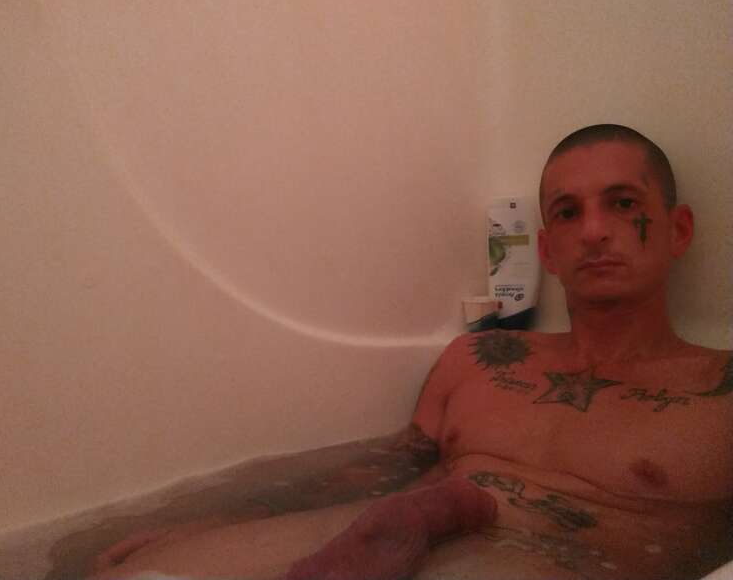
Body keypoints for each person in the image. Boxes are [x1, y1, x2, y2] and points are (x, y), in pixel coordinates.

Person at [91, 124, 732, 580]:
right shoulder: (479, 360)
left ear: (677, 230)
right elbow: (380, 470)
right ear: (546, 250)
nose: (592, 230)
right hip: (391, 526)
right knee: (136, 571)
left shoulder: (721, 391)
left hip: (552, 559)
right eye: (567, 213)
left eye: (623, 203)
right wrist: (225, 519)